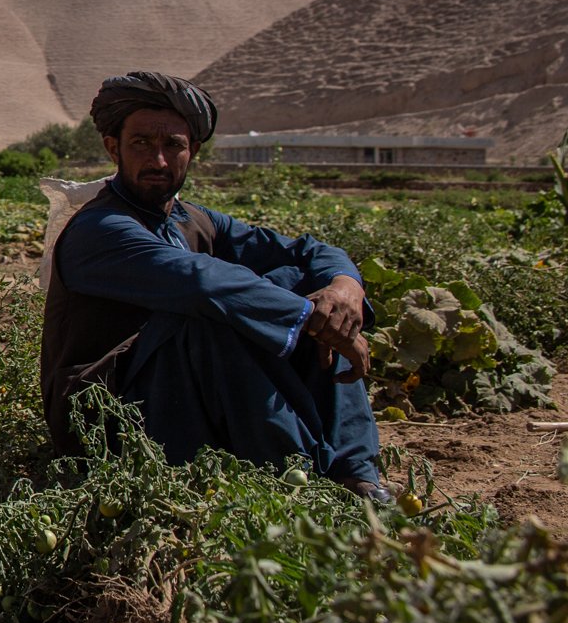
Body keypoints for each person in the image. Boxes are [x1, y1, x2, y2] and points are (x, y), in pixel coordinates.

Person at [39, 71, 387, 499]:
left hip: (180, 402)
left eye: (173, 145)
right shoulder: (100, 228)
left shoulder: (193, 219)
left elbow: (301, 253)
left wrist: (344, 286)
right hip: (103, 416)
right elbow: (202, 282)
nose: (159, 160)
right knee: (209, 318)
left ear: (194, 151)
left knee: (303, 287)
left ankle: (357, 475)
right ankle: (296, 477)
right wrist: (309, 318)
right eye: (142, 144)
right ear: (114, 148)